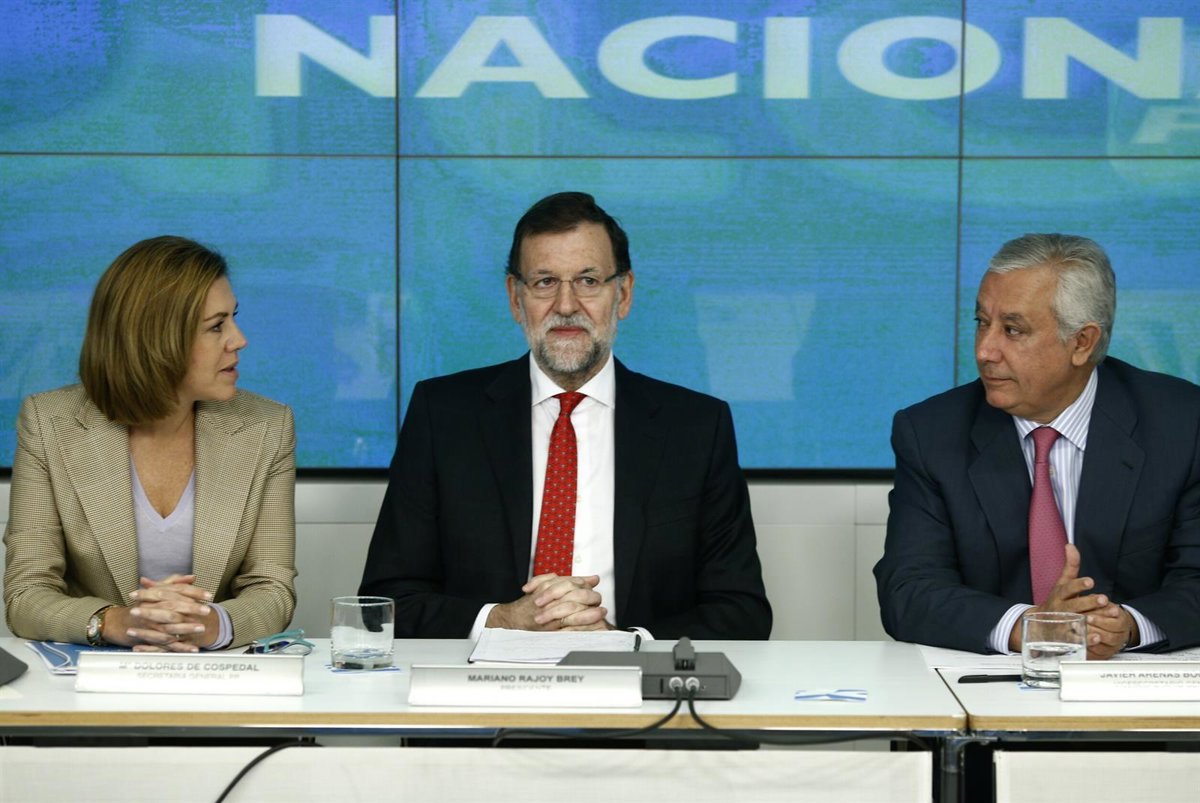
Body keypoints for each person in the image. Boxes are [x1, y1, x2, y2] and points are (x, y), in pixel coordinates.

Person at [360, 191, 771, 640]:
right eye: (545, 282)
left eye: (588, 280)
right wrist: (502, 620)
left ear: (623, 294)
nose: (567, 305)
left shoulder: (697, 427)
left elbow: (742, 611)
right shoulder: (442, 415)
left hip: (633, 679)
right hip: (483, 677)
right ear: (515, 298)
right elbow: (386, 599)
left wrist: (625, 643)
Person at [875, 233, 1200, 658]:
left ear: (1082, 343)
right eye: (982, 323)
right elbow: (908, 589)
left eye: (1013, 330)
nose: (985, 350)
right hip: (987, 683)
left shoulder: (1182, 424)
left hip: (1136, 681)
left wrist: (1127, 626)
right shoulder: (931, 433)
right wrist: (1030, 627)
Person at [4, 236, 297, 651]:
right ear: (157, 338)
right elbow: (26, 594)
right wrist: (115, 622)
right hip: (92, 671)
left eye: (233, 318)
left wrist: (211, 624)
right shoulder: (49, 423)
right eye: (216, 326)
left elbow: (272, 588)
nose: (239, 339)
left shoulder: (267, 426)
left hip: (216, 672)